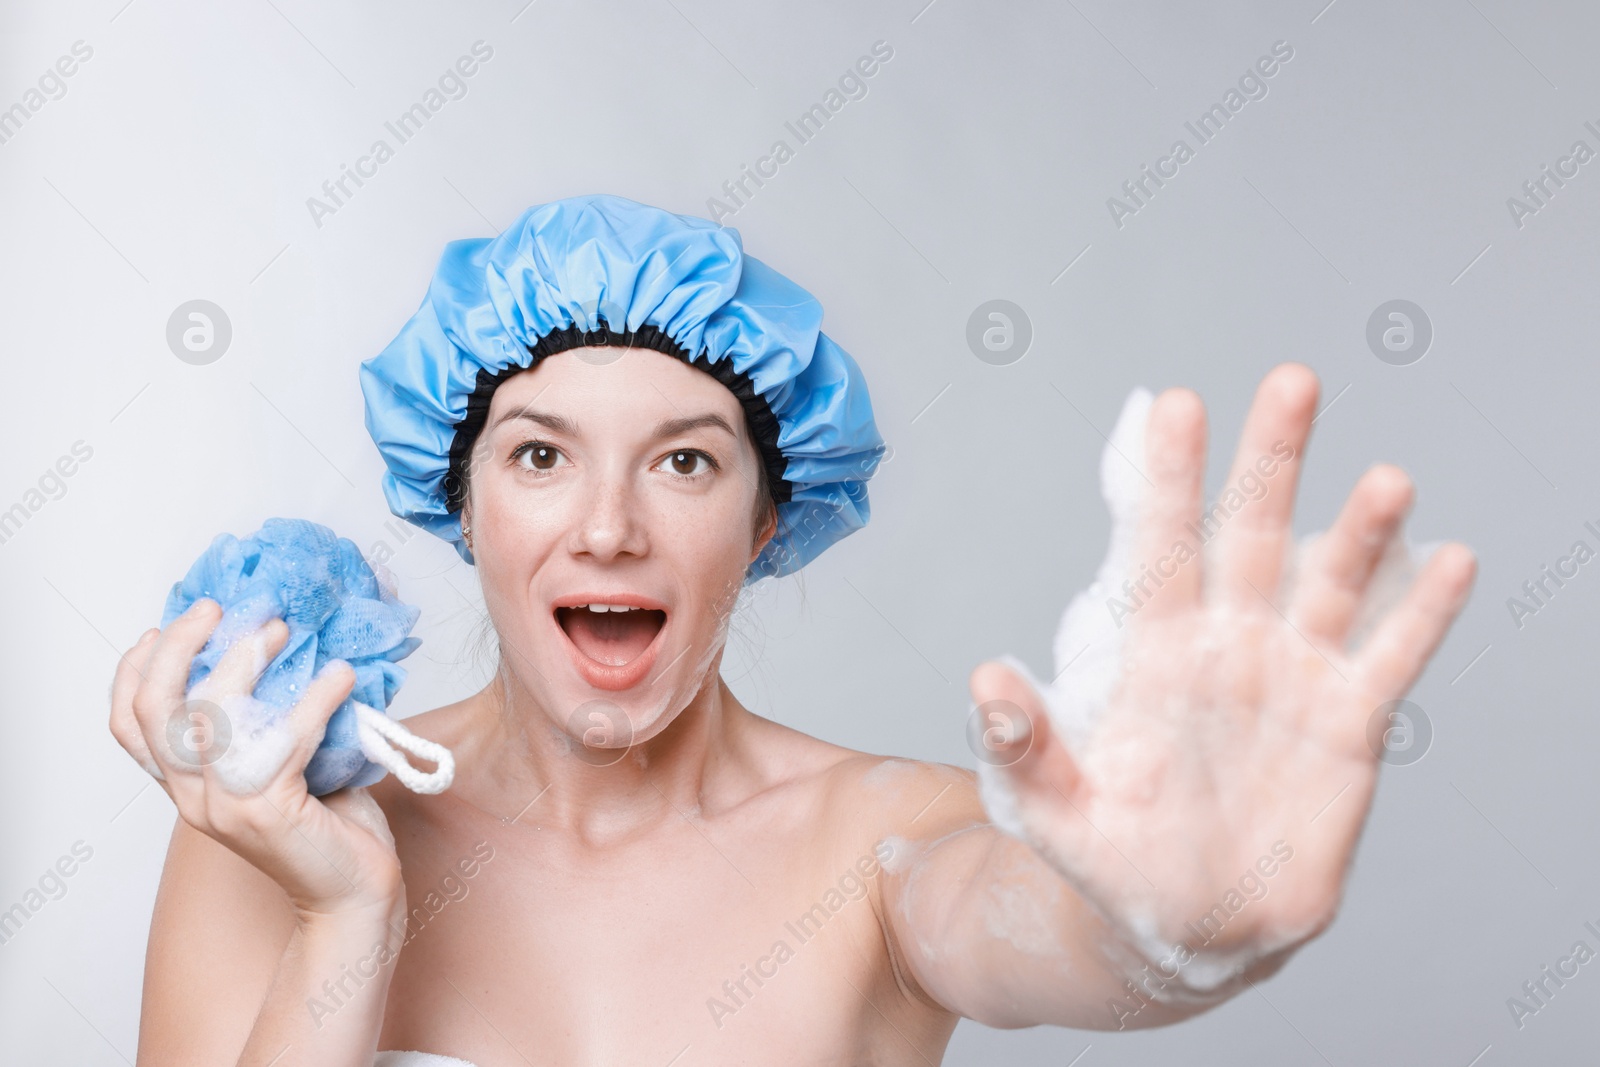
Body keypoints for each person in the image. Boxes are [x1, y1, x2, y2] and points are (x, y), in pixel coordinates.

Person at [110, 194, 1477, 1066]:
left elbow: (1042, 924)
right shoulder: (279, 831)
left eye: (686, 463)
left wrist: (1182, 928)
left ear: (769, 523)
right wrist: (345, 918)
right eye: (538, 459)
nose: (606, 528)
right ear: (461, 512)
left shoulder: (882, 849)